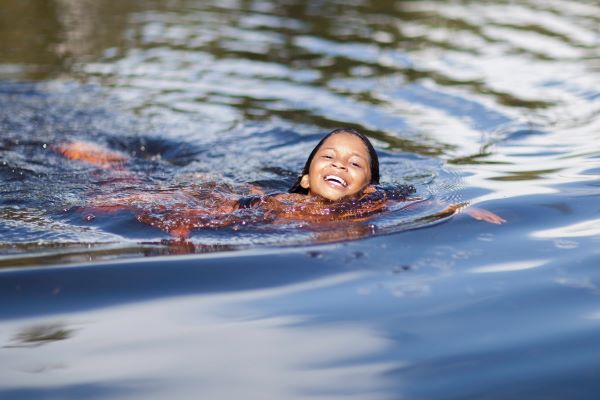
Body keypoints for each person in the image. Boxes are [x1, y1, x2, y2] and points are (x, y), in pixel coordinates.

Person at [54, 128, 504, 239]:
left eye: (354, 164)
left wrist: (461, 211)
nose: (340, 164)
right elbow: (201, 212)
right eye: (328, 157)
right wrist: (182, 228)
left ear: (368, 188)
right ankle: (108, 163)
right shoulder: (281, 205)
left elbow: (423, 203)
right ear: (307, 178)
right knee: (124, 191)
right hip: (233, 196)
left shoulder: (372, 207)